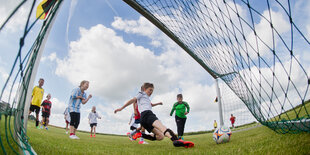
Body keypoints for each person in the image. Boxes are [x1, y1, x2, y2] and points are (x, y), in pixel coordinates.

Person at [114, 83, 194, 148]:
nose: (151, 92)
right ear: (144, 89)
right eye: (150, 90)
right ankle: (176, 140)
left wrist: (158, 103)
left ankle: (140, 135)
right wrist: (121, 108)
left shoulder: (146, 99)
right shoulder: (141, 93)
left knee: (161, 136)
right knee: (162, 127)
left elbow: (151, 105)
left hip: (144, 119)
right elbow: (133, 100)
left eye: (152, 91)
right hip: (147, 114)